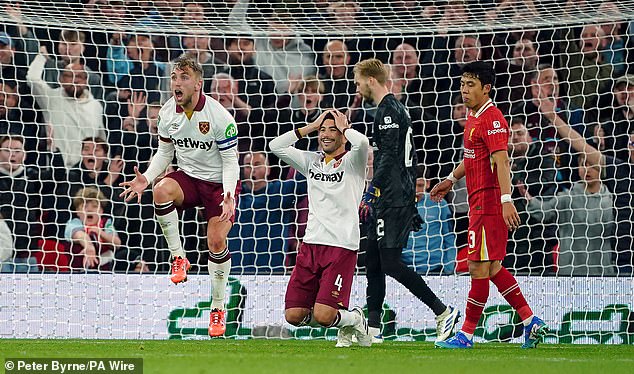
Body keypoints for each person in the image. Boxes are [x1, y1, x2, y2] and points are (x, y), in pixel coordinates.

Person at [119, 56, 240, 338]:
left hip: (218, 185)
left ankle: (218, 308)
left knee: (216, 240)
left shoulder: (220, 117)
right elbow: (164, 153)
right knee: (160, 190)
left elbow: (231, 162)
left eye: (184, 77)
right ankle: (178, 258)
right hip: (188, 178)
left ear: (198, 84)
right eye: (174, 77)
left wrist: (230, 195)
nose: (177, 82)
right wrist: (146, 179)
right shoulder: (166, 113)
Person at [431, 61, 548, 349]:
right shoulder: (473, 116)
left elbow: (501, 161)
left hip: (489, 205)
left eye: (471, 85)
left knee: (477, 267)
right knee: (492, 267)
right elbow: (473, 157)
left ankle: (466, 335)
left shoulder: (492, 119)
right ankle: (529, 320)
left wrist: (506, 200)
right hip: (478, 202)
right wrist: (450, 178)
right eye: (462, 84)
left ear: (487, 88)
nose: (464, 90)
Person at [354, 58, 459, 343]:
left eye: (360, 81)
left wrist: (372, 189)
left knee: (389, 262)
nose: (358, 86)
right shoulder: (391, 108)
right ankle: (372, 330)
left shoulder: (387, 110)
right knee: (374, 263)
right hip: (391, 196)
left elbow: (388, 158)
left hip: (393, 197)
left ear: (371, 80)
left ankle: (442, 310)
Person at [269, 109, 372, 348]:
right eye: (323, 130)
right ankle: (346, 321)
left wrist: (345, 127)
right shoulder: (311, 161)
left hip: (341, 246)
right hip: (311, 244)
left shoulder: (353, 162)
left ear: (343, 135)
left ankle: (355, 319)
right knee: (293, 316)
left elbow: (363, 142)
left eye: (332, 129)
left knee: (324, 316)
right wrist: (311, 126)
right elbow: (276, 146)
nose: (326, 135)